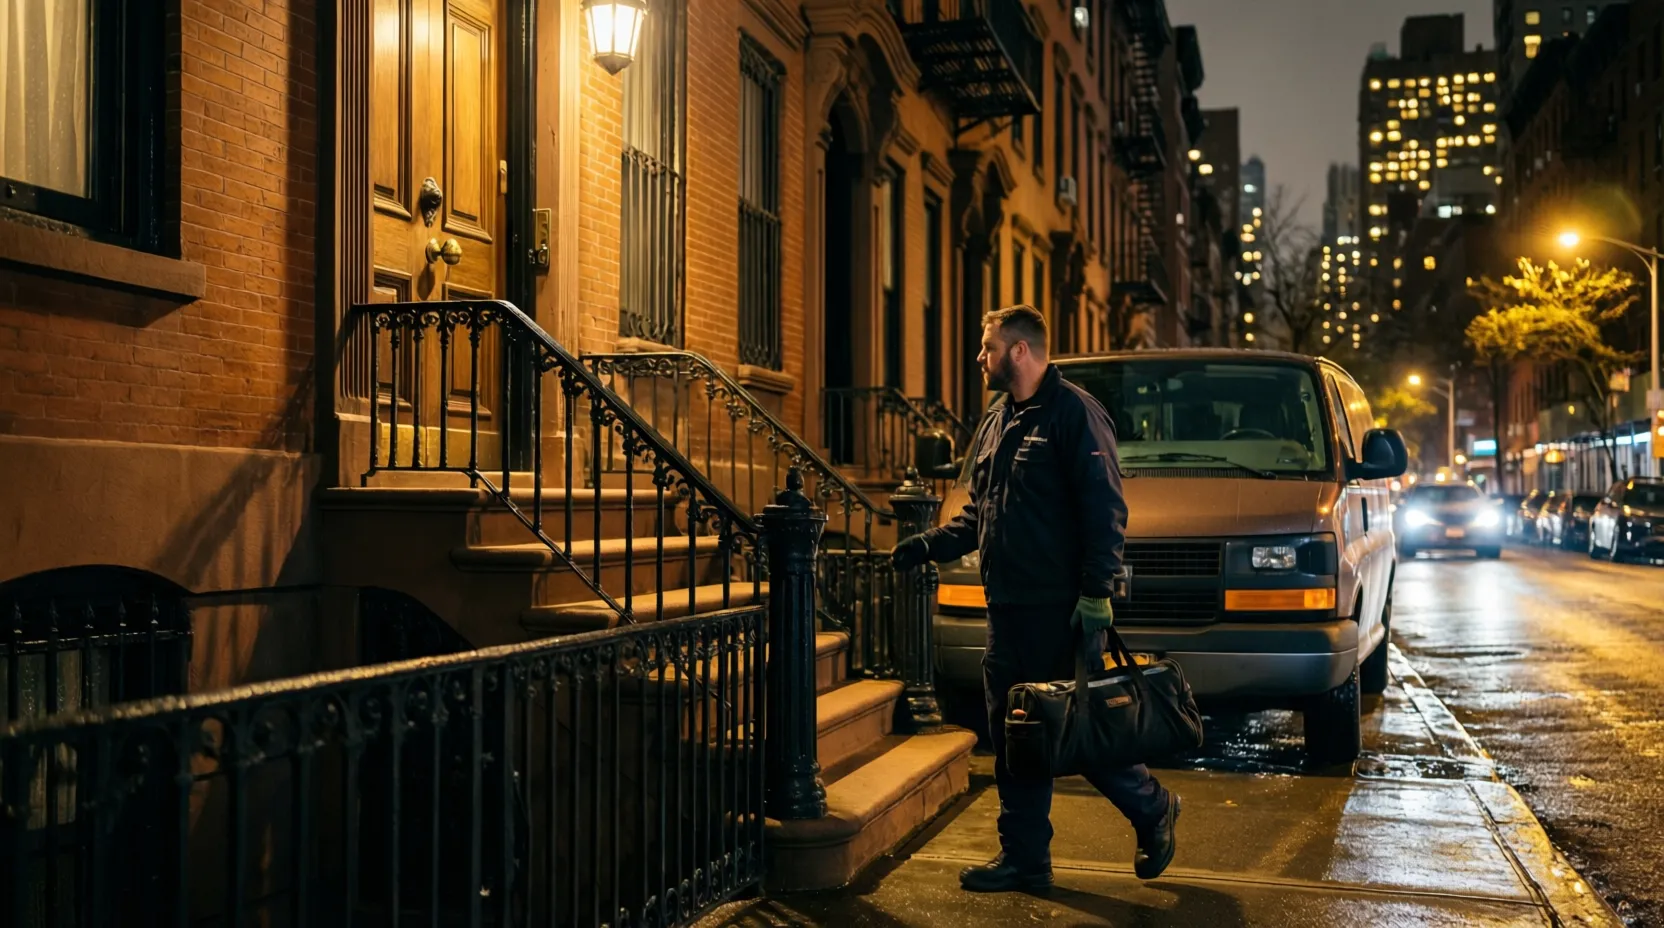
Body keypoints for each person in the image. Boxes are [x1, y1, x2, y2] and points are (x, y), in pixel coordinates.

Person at [892, 305, 1179, 893]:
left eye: (987, 346)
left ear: (1019, 351)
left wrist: (1097, 594)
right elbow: (980, 514)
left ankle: (1153, 809)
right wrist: (925, 545)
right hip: (1009, 610)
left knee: (1078, 731)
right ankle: (1025, 858)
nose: (980, 357)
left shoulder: (1074, 415)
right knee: (1016, 734)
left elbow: (1105, 510)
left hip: (1062, 609)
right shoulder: (999, 421)